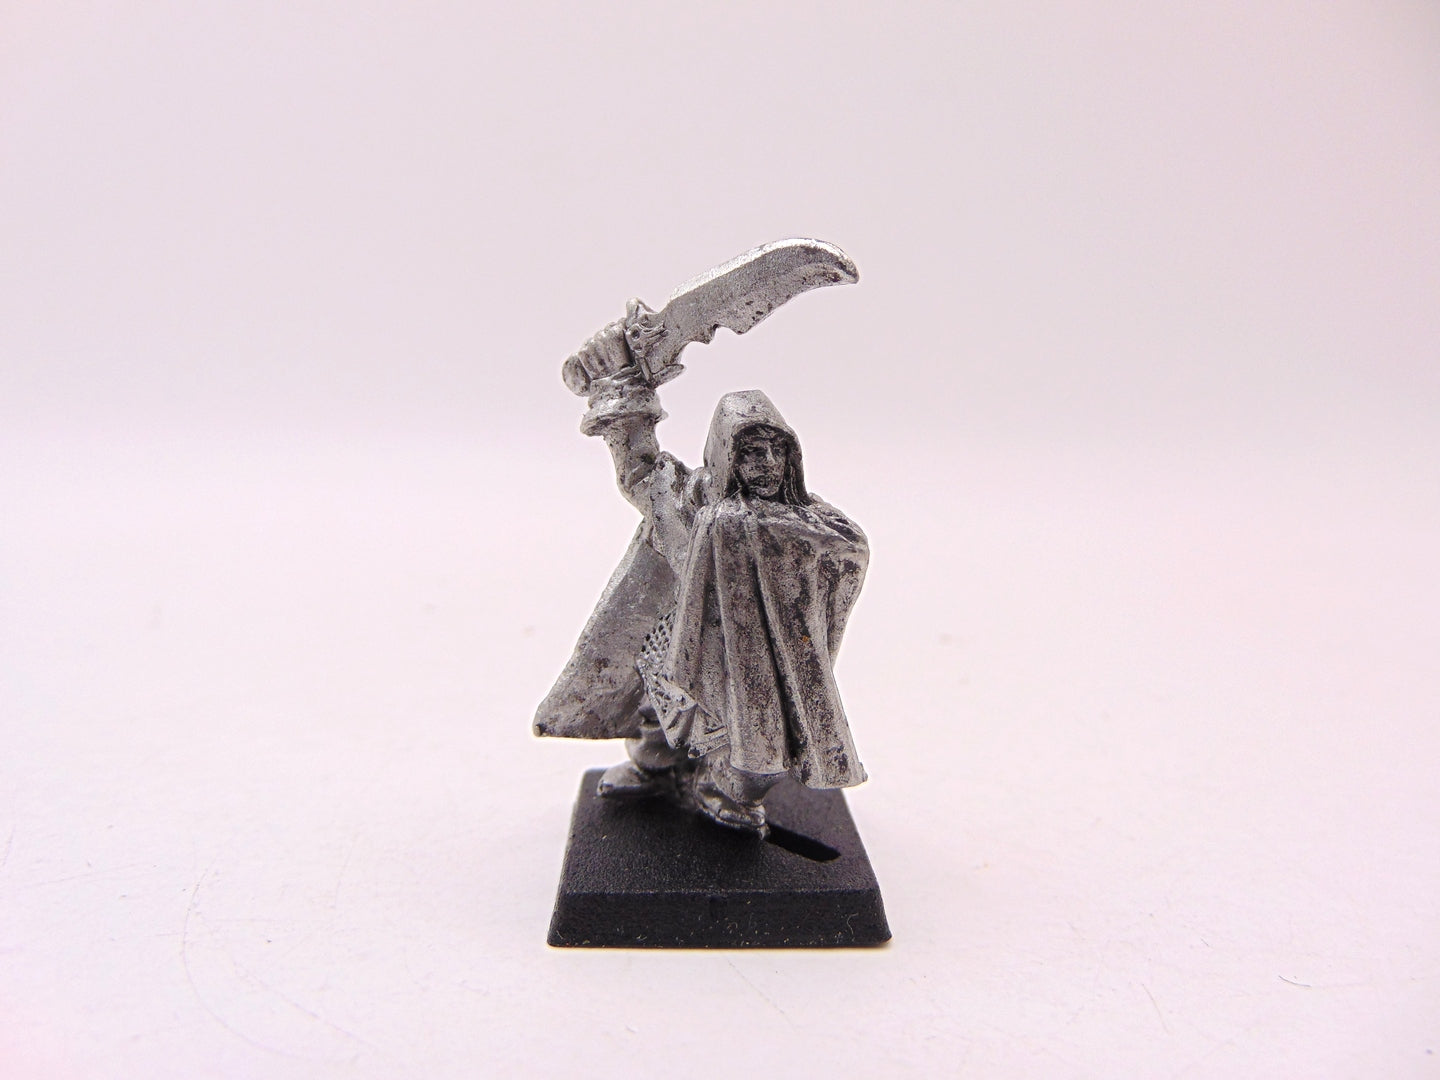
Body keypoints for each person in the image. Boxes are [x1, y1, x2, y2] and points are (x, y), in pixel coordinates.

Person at [533, 321, 869, 832]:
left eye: (776, 449)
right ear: (724, 452)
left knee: (757, 754)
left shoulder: (810, 524)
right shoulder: (689, 502)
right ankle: (656, 770)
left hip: (755, 659)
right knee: (656, 719)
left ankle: (723, 788)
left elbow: (847, 548)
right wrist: (620, 382)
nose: (766, 463)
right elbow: (640, 471)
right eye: (750, 450)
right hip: (677, 641)